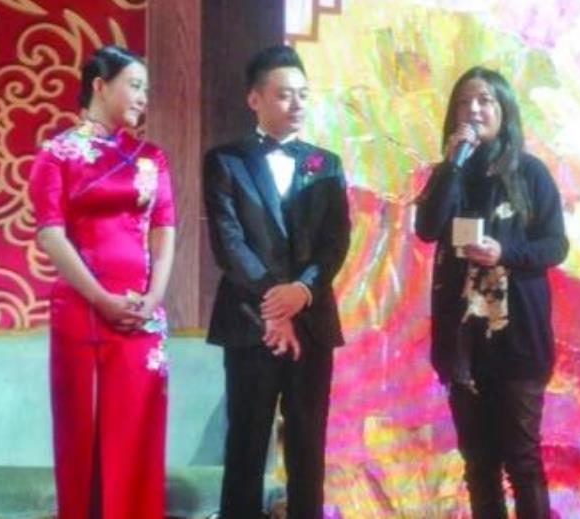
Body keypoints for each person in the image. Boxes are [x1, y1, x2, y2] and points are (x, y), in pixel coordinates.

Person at [203, 44, 351, 519]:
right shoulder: (225, 160)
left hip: (312, 322)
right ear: (255, 99)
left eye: (303, 94)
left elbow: (335, 241)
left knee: (308, 447)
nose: (297, 104)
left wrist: (301, 291)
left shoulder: (326, 164)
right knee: (246, 446)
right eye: (284, 94)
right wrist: (274, 301)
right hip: (251, 321)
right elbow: (228, 242)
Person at [28, 45, 175, 518]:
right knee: (84, 436)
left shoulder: (151, 158)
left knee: (138, 434)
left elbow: (164, 231)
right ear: (99, 85)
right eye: (134, 86)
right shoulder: (56, 154)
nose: (143, 98)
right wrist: (101, 298)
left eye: (146, 89)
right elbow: (51, 235)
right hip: (83, 311)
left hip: (142, 316)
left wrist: (152, 299)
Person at [415, 66, 569, 518]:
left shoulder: (530, 173)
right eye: (465, 102)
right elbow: (427, 228)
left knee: (522, 462)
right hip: (462, 341)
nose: (474, 110)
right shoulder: (450, 171)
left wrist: (505, 251)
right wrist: (451, 166)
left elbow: (555, 245)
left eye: (485, 101)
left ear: (504, 111)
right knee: (478, 466)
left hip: (515, 339)